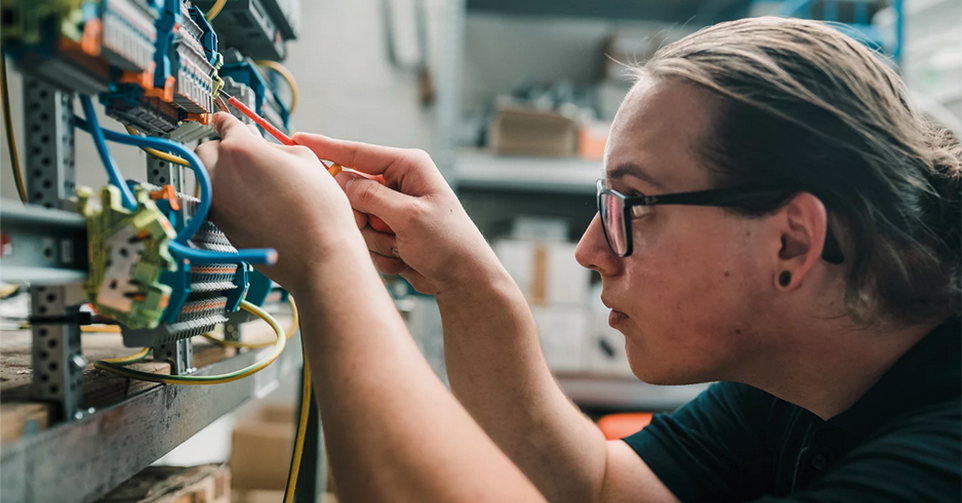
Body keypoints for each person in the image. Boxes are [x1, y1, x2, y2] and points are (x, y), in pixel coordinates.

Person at [195, 16, 962, 503]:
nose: (592, 249)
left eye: (631, 206)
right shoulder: (809, 381)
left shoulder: (934, 467)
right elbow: (598, 489)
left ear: (792, 240)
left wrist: (328, 261)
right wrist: (467, 280)